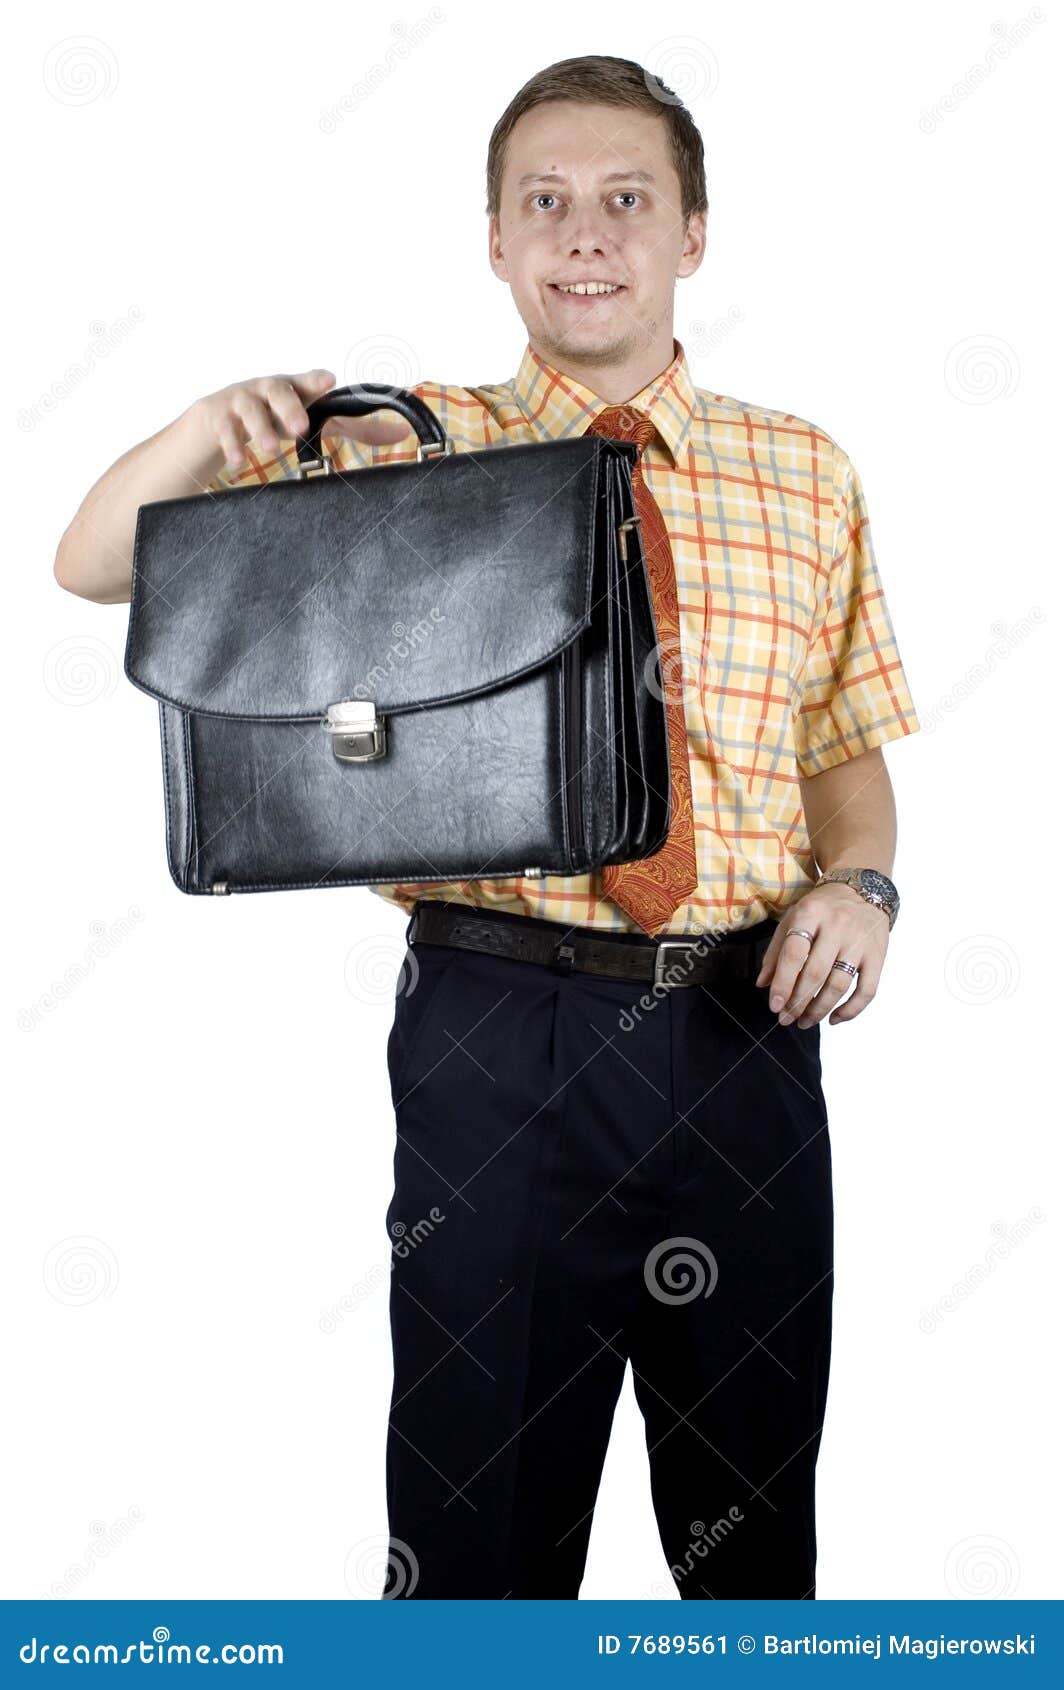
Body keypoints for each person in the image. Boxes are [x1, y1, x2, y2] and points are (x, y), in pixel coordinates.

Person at [53, 54, 920, 1600]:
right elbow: (94, 562)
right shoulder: (402, 448)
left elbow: (841, 749)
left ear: (693, 235)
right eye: (546, 205)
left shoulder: (808, 472)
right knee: (474, 1548)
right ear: (498, 244)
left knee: (757, 1547)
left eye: (625, 201)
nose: (585, 235)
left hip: (750, 1035)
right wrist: (203, 425)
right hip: (498, 1036)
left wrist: (861, 883)